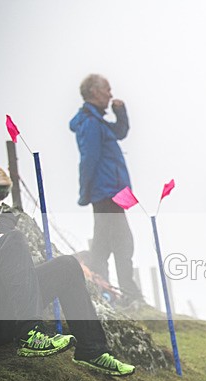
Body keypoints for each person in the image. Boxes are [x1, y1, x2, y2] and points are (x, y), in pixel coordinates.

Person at [0, 168, 134, 376]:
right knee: (14, 240)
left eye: (3, 194)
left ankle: (91, 350)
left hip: (7, 314)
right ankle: (30, 334)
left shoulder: (3, 219)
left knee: (68, 266)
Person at [70, 74, 143, 306]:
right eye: (107, 90)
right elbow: (88, 159)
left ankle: (108, 293)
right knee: (121, 243)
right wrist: (86, 193)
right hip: (105, 193)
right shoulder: (91, 123)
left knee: (106, 244)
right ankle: (123, 295)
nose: (111, 94)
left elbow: (120, 132)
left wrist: (120, 112)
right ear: (93, 92)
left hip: (112, 192)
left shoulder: (98, 122)